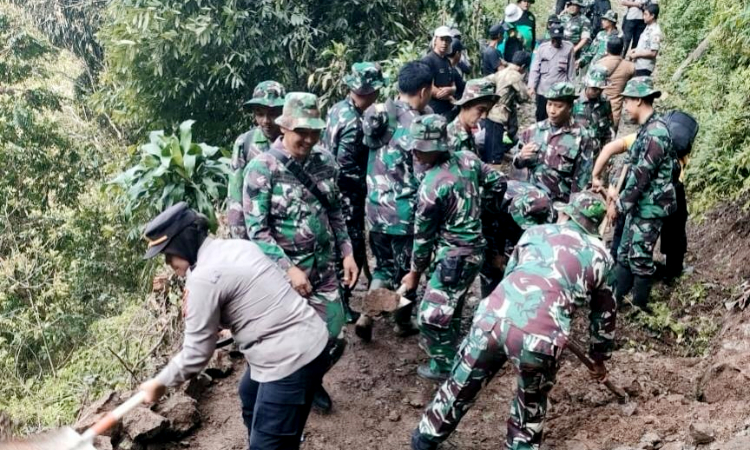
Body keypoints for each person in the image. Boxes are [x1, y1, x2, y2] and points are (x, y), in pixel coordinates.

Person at [410, 191, 616, 450]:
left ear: (568, 214)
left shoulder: (534, 233)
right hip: (541, 337)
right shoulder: (601, 256)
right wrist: (599, 358)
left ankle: (425, 439)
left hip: (492, 317)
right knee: (529, 406)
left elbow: (509, 276)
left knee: (461, 382)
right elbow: (604, 315)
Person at [138, 203, 330, 450]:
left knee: (266, 446)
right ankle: (276, 439)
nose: (167, 263)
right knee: (249, 393)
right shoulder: (236, 246)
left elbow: (196, 353)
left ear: (182, 243)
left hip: (290, 359)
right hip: (311, 334)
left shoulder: (204, 278)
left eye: (168, 253)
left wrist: (160, 382)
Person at [243, 92, 357, 413]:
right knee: (287, 343)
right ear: (284, 128)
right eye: (301, 132)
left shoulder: (326, 163)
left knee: (334, 337)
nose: (308, 139)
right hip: (283, 281)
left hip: (324, 272)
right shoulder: (261, 169)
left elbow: (335, 212)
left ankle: (309, 382)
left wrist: (347, 252)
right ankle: (286, 396)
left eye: (314, 131)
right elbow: (257, 231)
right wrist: (288, 268)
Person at [400, 114, 507, 381]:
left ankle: (445, 365)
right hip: (475, 251)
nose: (414, 153)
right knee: (454, 302)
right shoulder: (468, 159)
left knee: (431, 314)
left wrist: (414, 272)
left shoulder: (431, 186)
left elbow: (422, 239)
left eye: (419, 149)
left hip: (454, 256)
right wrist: (479, 209)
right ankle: (455, 351)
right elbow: (498, 182)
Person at [360, 61, 434, 340]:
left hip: (376, 208)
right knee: (407, 270)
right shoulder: (419, 126)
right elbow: (423, 174)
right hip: (404, 214)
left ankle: (369, 313)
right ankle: (401, 322)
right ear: (425, 90)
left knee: (383, 266)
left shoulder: (377, 115)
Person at [322, 62, 386, 323]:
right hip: (346, 195)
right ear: (371, 92)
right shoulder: (354, 123)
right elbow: (345, 167)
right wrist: (369, 185)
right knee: (351, 247)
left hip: (334, 190)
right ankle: (343, 302)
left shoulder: (338, 108)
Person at [605, 77, 676, 312]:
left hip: (650, 205)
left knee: (640, 257)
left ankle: (639, 309)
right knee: (624, 252)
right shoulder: (646, 129)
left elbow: (641, 176)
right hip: (639, 204)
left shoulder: (656, 133)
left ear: (638, 100)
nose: (625, 106)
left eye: (627, 101)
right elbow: (630, 164)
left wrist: (619, 206)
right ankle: (617, 300)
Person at [513, 82, 596, 203]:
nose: (552, 110)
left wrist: (570, 210)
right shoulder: (532, 131)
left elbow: (583, 180)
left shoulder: (581, 136)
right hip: (531, 201)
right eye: (549, 104)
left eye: (558, 106)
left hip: (560, 205)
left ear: (569, 107)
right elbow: (517, 165)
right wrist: (521, 156)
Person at [226, 81, 285, 239]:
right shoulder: (245, 143)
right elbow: (235, 195)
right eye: (260, 113)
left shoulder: (294, 142)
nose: (266, 120)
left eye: (273, 113)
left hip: (288, 231)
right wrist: (239, 240)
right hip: (256, 230)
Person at [483, 50, 532, 164]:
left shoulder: (502, 72)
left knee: (491, 146)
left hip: (492, 113)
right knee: (495, 153)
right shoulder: (516, 76)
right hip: (499, 117)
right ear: (523, 66)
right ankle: (495, 169)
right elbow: (523, 97)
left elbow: (486, 81)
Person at [527, 24, 575, 122]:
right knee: (541, 116)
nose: (556, 41)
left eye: (558, 39)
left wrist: (572, 89)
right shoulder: (542, 48)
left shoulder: (568, 48)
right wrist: (531, 86)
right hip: (544, 89)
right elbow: (535, 68)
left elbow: (571, 71)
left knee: (559, 117)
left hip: (560, 90)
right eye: (554, 39)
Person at [447, 78, 500, 155]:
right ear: (466, 105)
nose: (484, 117)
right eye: (480, 110)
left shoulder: (467, 134)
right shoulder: (451, 139)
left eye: (487, 111)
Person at [572, 65, 615, 156]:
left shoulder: (605, 103)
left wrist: (607, 155)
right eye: (594, 88)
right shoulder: (574, 102)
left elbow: (608, 130)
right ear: (587, 84)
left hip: (596, 153)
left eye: (600, 89)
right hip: (576, 152)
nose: (598, 92)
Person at [598, 36, 635, 130]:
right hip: (615, 110)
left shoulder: (599, 64)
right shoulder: (630, 67)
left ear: (607, 49)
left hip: (599, 108)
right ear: (622, 49)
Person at [422, 26, 456, 118]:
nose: (444, 43)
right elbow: (429, 87)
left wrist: (452, 89)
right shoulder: (428, 60)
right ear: (435, 40)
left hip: (448, 109)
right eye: (442, 39)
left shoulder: (447, 61)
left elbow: (452, 84)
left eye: (447, 40)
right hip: (435, 110)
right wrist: (449, 97)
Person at [628, 3, 662, 76]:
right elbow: (645, 46)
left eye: (646, 14)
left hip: (644, 67)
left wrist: (637, 54)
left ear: (652, 16)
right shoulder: (647, 27)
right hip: (638, 64)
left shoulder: (655, 32)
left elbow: (653, 53)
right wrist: (635, 50)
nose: (643, 17)